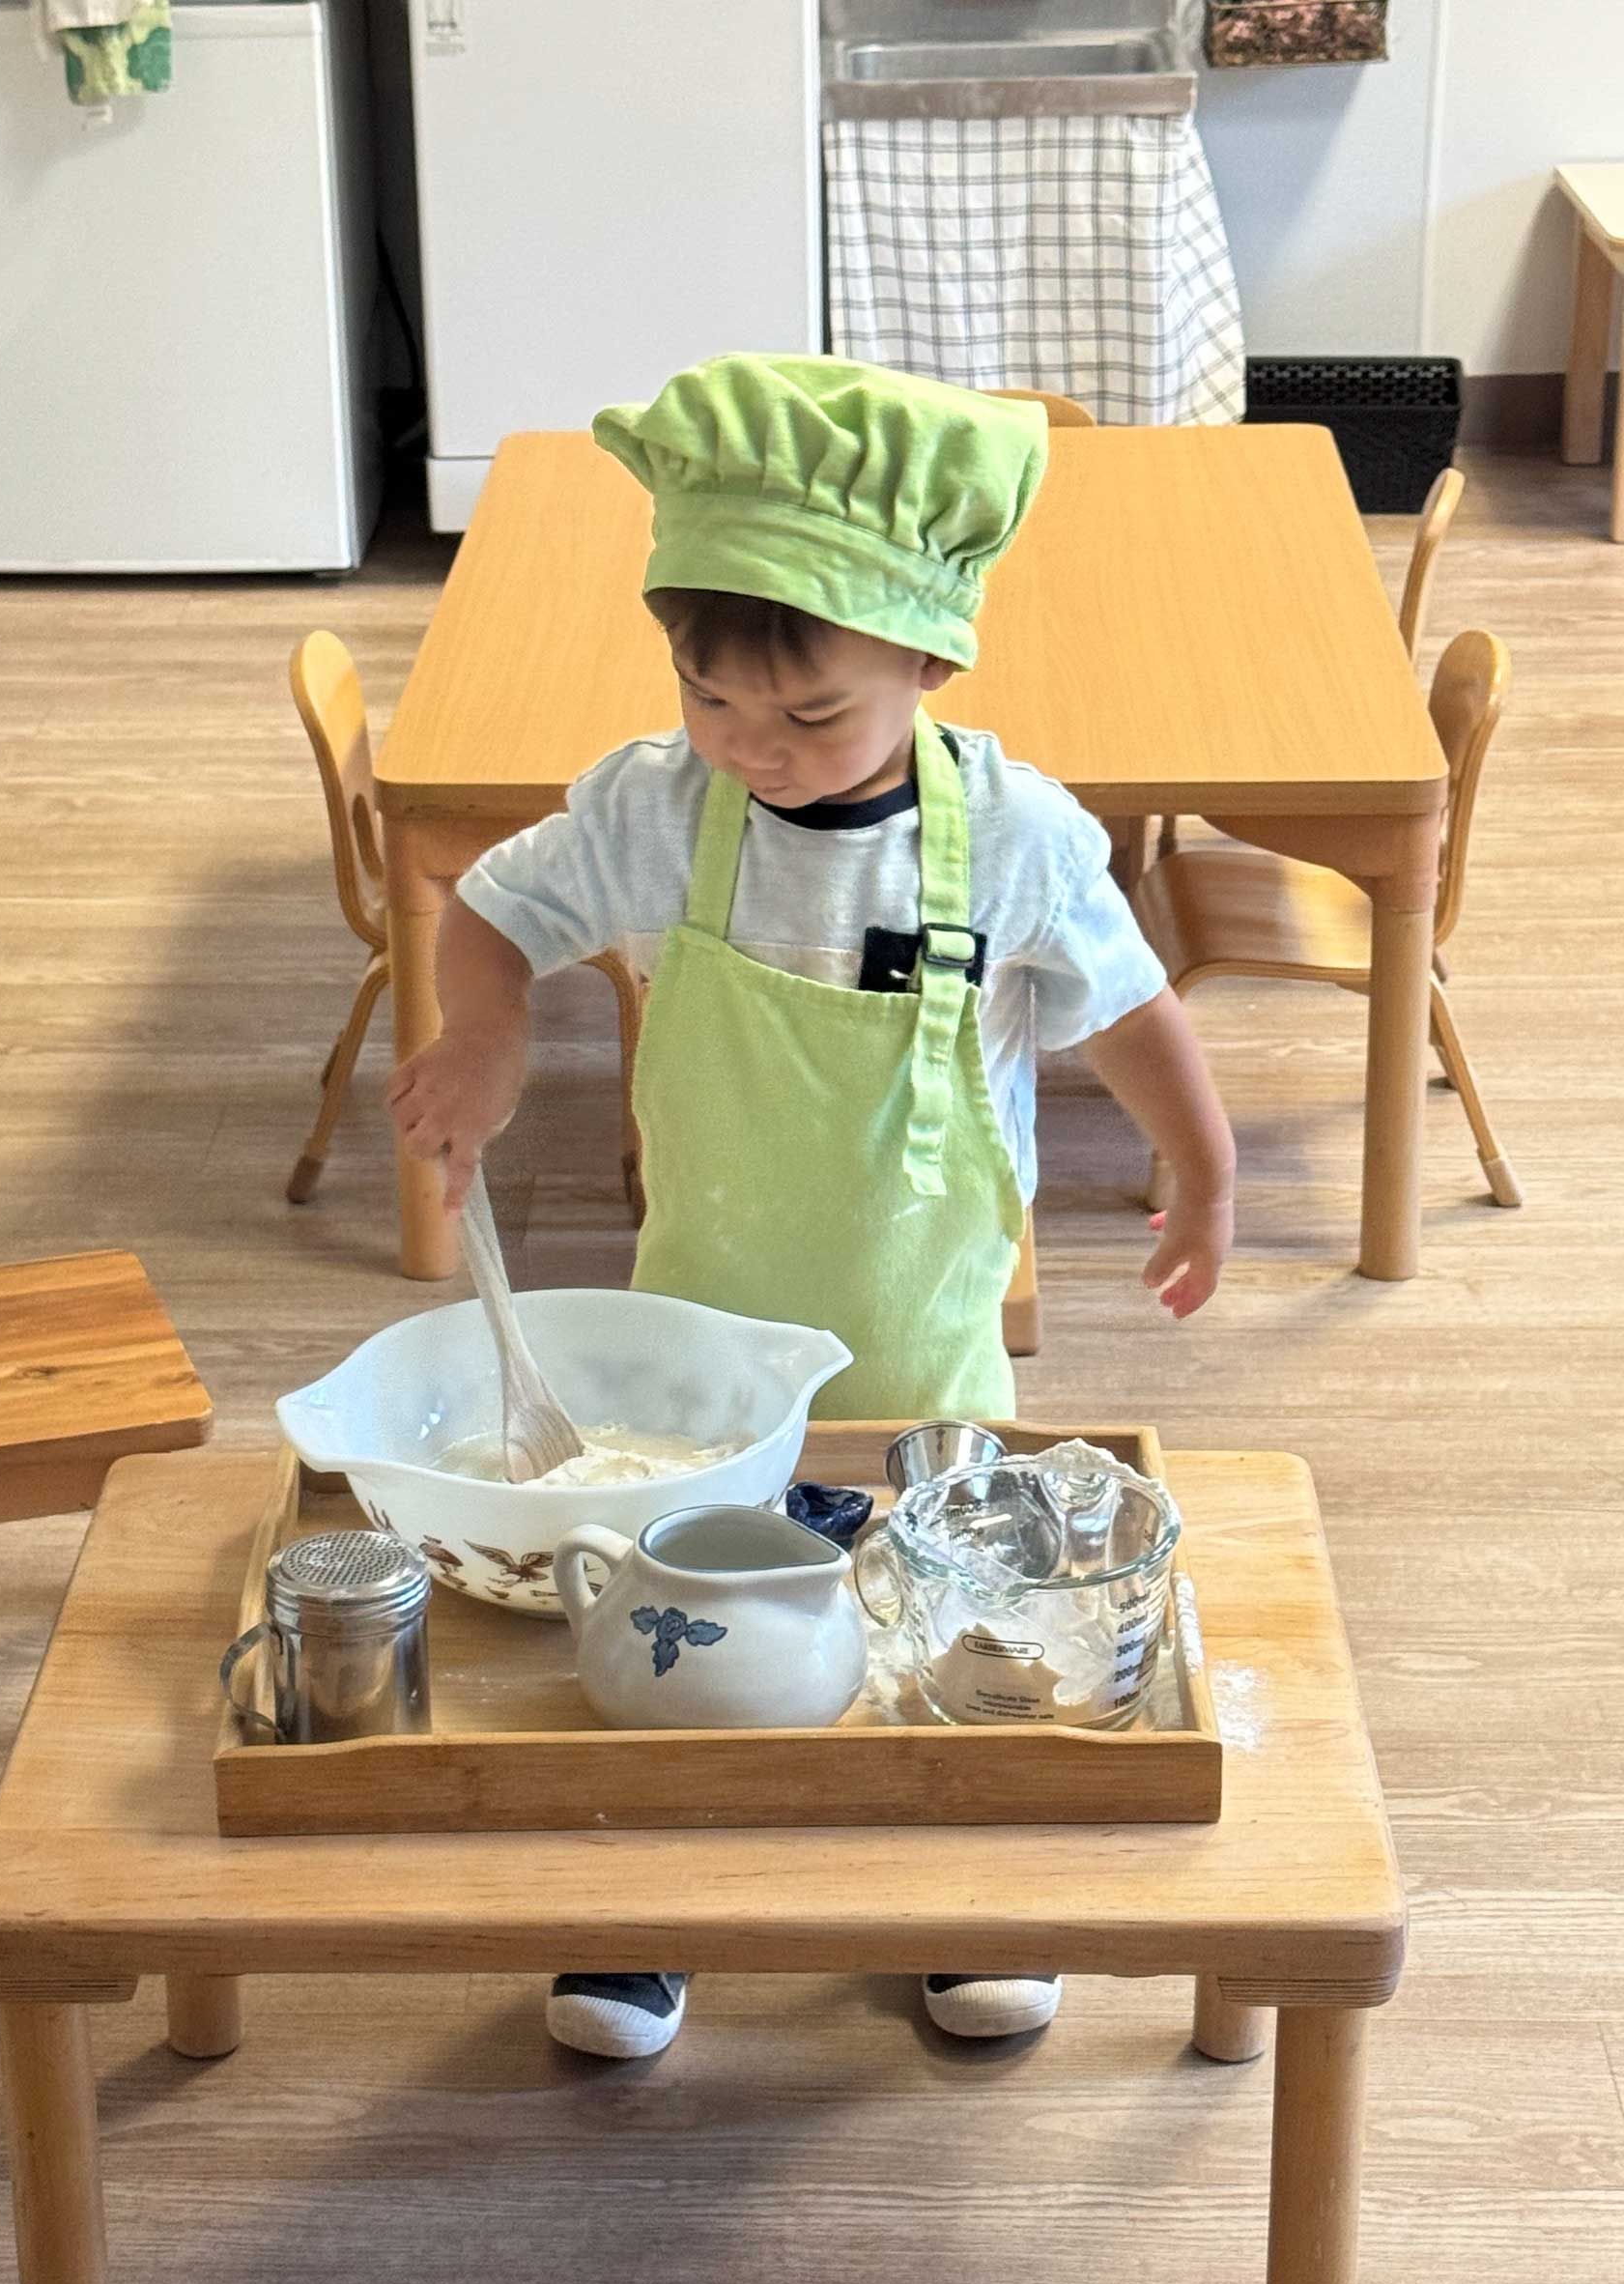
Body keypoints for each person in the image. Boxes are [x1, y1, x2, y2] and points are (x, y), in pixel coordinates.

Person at [390, 355, 1234, 2060]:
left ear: (927, 657)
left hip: (923, 1332)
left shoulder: (1012, 837)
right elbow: (484, 911)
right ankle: (650, 1916)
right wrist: (484, 1024)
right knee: (673, 1629)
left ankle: (959, 1905)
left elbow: (1132, 1012)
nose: (752, 751)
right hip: (696, 1337)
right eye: (713, 702)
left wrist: (1204, 1167)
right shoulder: (657, 807)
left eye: (806, 716)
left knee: (948, 1634)